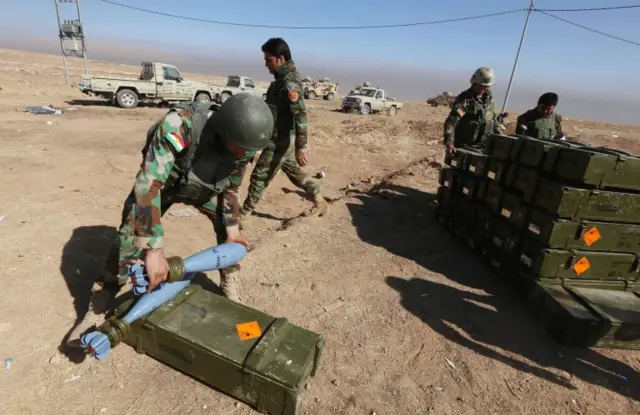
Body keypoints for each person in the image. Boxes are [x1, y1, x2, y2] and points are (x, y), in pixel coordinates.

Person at [67, 94, 274, 346]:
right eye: (242, 149)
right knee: (131, 230)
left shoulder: (243, 144)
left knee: (230, 226)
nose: (246, 155)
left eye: (249, 151)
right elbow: (148, 185)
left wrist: (231, 229)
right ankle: (106, 293)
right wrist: (154, 250)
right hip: (163, 185)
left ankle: (229, 277)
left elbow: (230, 188)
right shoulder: (180, 125)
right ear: (224, 131)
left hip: (202, 187)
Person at [240, 37, 328, 222]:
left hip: (279, 141)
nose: (265, 64)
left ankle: (244, 215)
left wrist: (301, 146)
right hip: (279, 138)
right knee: (295, 174)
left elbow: (300, 114)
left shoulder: (289, 83)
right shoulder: (282, 79)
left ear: (280, 59)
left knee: (259, 177)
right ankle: (318, 198)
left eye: (268, 60)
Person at [443, 67, 502, 155]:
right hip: (465, 147)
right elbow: (451, 122)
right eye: (483, 86)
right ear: (475, 83)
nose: (486, 89)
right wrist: (449, 143)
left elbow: (493, 119)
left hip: (483, 147)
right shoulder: (466, 100)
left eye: (488, 86)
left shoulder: (489, 100)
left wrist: (500, 134)